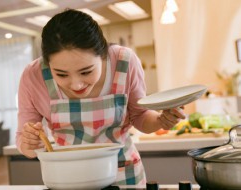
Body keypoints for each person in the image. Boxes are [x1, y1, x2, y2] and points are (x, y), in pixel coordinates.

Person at [16, 9, 185, 185]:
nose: (76, 84)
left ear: (104, 55)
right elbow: (23, 138)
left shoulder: (124, 61)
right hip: (68, 178)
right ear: (47, 62)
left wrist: (161, 120)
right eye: (61, 74)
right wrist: (28, 144)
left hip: (123, 174)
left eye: (86, 71)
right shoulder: (33, 76)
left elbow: (140, 116)